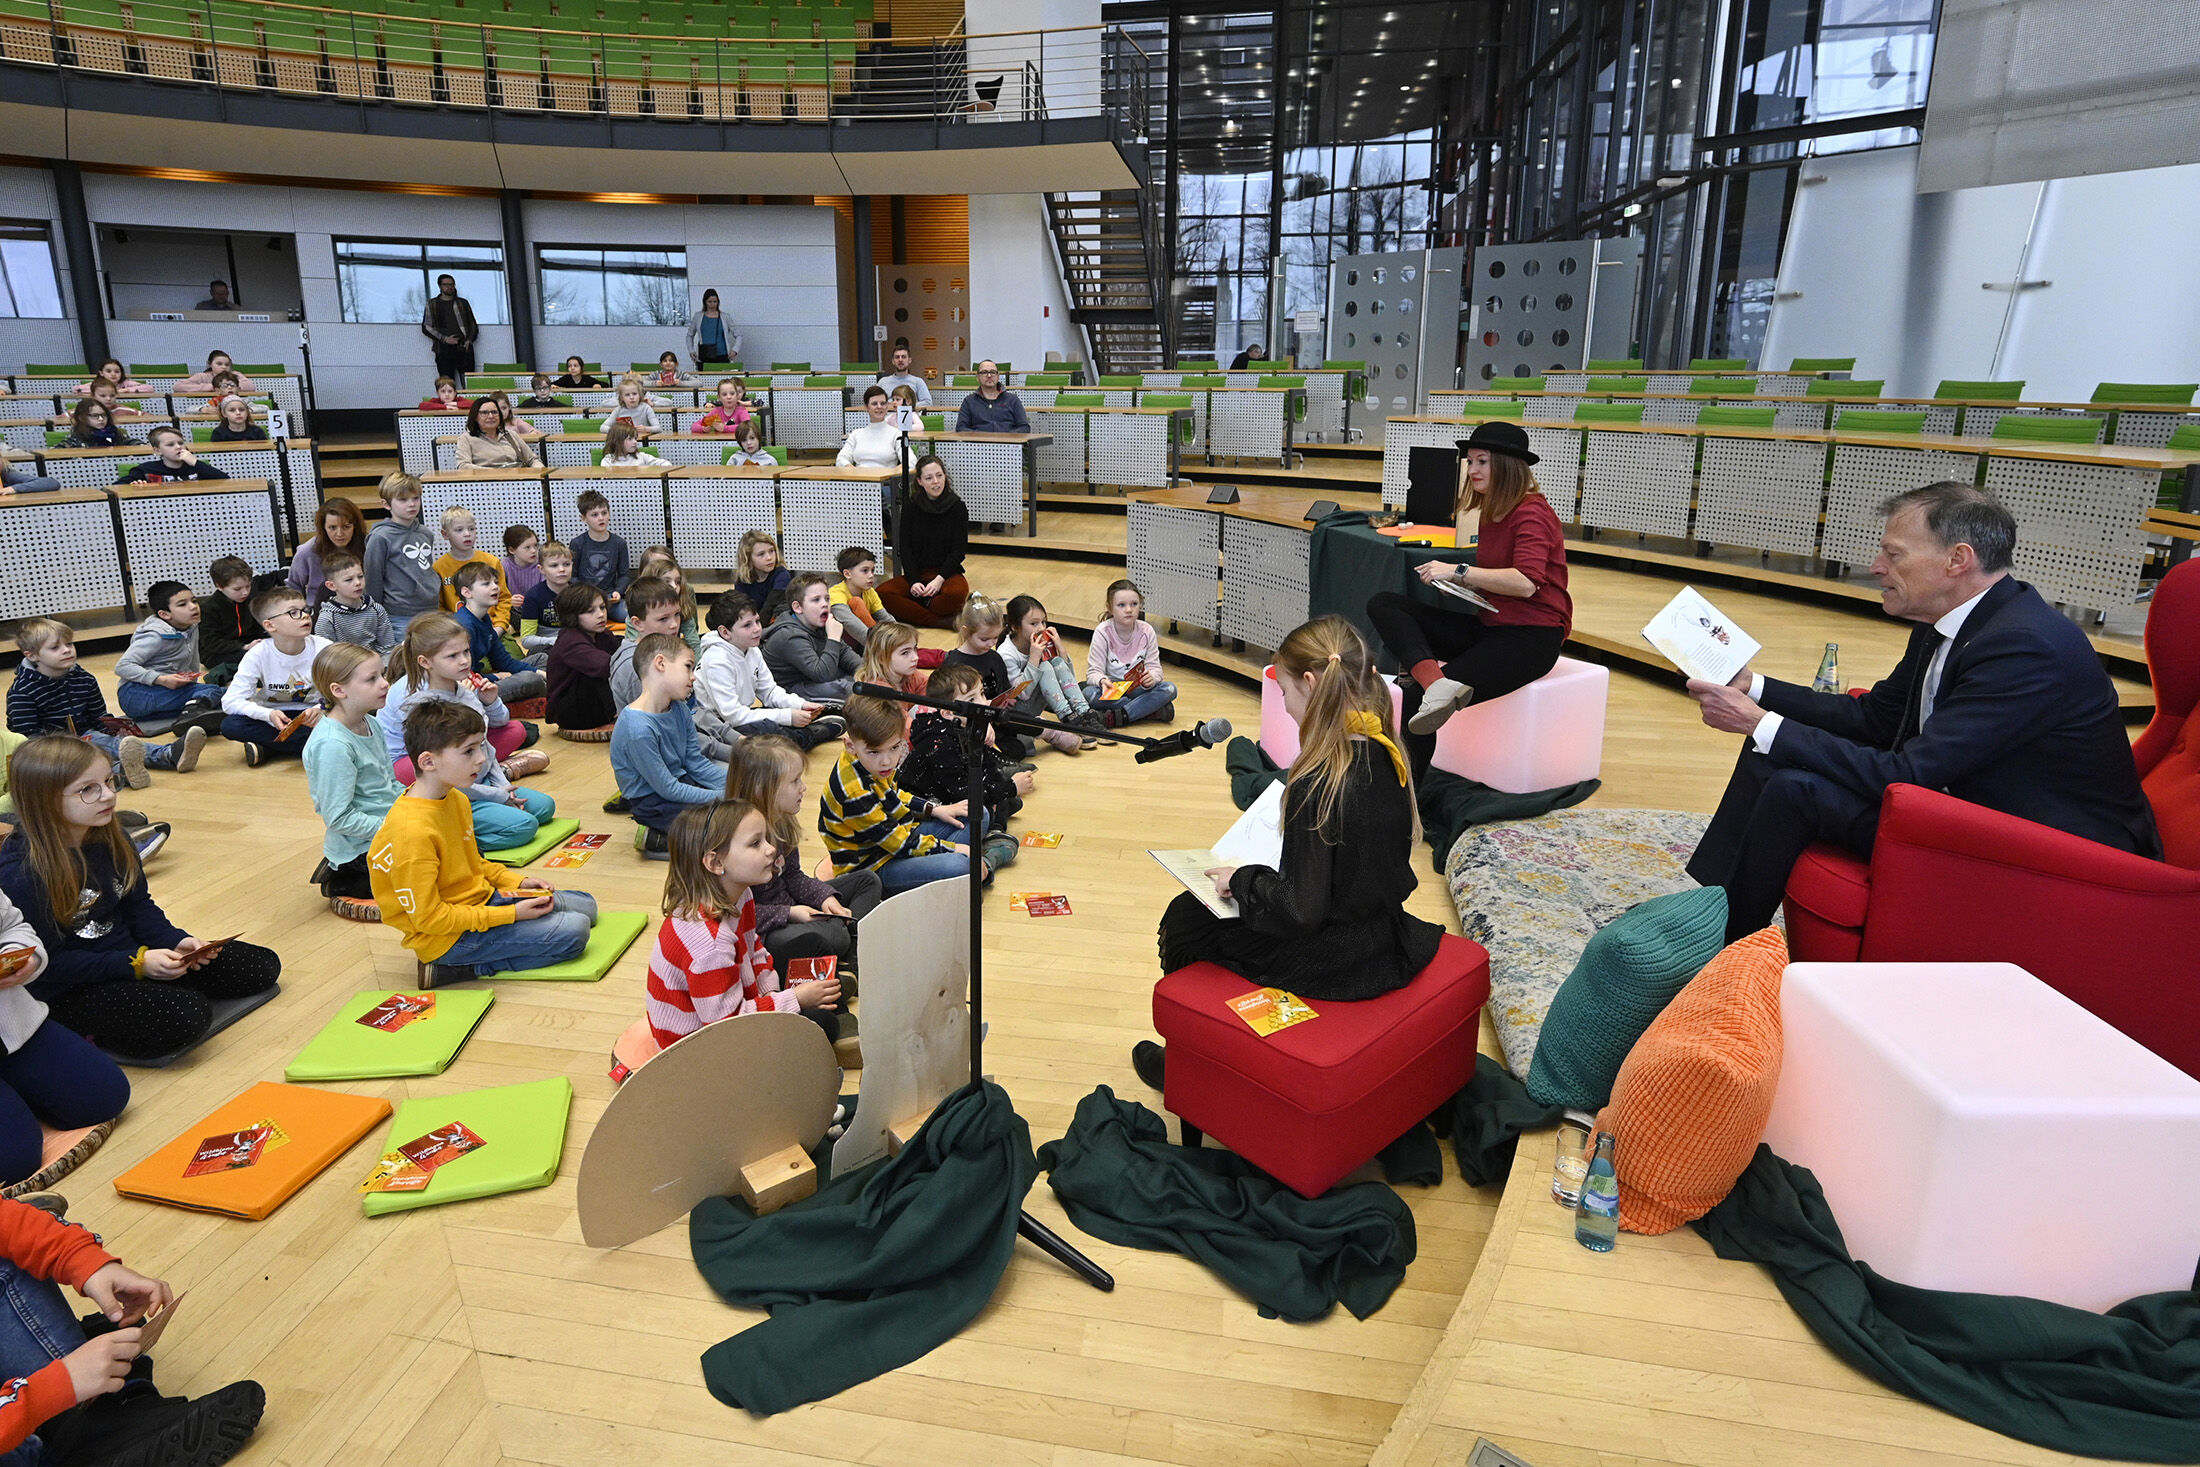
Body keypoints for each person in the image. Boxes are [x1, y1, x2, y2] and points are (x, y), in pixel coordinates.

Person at [1684, 481, 2163, 941]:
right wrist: (1756, 690)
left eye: (1893, 554)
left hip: (2052, 851)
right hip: (1970, 804)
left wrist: (1759, 721)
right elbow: (1874, 720)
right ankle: (1705, 918)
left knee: (1796, 785)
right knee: (1770, 752)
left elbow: (1912, 774)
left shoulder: (2025, 646)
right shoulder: (1954, 619)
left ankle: (1725, 948)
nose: (1875, 566)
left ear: (1957, 560)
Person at [1133, 616, 1444, 1089]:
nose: (1285, 706)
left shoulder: (1319, 780)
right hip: (1384, 936)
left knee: (1187, 918)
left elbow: (1302, 910)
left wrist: (1241, 880)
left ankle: (1190, 1063)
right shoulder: (1389, 750)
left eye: (1284, 694)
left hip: (1336, 959)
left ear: (1311, 683)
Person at [0, 735, 282, 1062]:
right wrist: (136, 964)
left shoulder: (111, 835)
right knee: (186, 1016)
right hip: (71, 987)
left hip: (133, 958)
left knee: (260, 965)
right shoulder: (21, 873)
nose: (109, 795)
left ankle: (154, 989)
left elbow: (139, 907)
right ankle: (82, 1030)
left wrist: (177, 942)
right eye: (88, 789)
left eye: (108, 781)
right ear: (44, 800)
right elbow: (51, 965)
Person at [1365, 418, 1572, 771]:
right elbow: (1501, 579)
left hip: (1531, 639)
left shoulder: (1533, 512)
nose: (1472, 470)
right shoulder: (1494, 510)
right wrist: (1464, 584)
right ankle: (1437, 686)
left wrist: (1458, 572)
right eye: (1470, 462)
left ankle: (1407, 804)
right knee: (1384, 604)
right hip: (1491, 626)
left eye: (1482, 462)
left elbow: (1526, 582)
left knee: (1414, 701)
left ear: (1506, 466)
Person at [369, 699, 595, 986]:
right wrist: (511, 915)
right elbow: (430, 920)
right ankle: (452, 968)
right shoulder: (411, 833)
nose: (482, 759)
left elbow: (474, 864)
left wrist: (516, 882)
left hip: (479, 902)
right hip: (448, 938)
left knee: (587, 906)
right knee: (575, 931)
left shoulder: (456, 797)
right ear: (428, 761)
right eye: (468, 752)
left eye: (479, 747)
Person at [645, 798, 841, 1052]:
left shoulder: (742, 894)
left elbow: (755, 949)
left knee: (813, 951)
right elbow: (728, 1028)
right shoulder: (709, 947)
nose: (771, 849)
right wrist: (795, 999)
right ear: (716, 863)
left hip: (729, 1012)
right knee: (821, 1025)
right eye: (755, 843)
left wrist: (772, 994)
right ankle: (831, 1008)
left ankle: (830, 1000)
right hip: (696, 1050)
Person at [380, 616, 550, 851]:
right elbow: (443, 775)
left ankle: (498, 788)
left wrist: (502, 787)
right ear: (425, 662)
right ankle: (448, 841)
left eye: (466, 652)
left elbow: (485, 747)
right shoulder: (422, 705)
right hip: (448, 789)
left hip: (475, 775)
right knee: (524, 827)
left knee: (544, 807)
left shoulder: (464, 691)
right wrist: (494, 795)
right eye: (452, 656)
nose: (464, 661)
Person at [725, 734, 881, 980]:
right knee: (829, 936)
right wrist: (790, 913)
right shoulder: (738, 842)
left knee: (867, 881)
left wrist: (824, 897)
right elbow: (737, 915)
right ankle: (849, 950)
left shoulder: (782, 820)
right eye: (795, 781)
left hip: (791, 908)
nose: (803, 787)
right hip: (765, 930)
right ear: (763, 787)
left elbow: (794, 876)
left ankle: (850, 957)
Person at [0, 889, 128, 1182]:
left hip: (13, 1024)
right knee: (13, 1161)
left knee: (104, 1095)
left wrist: (26, 959)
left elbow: (12, 925)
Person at [821, 694, 1002, 894]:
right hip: (874, 869)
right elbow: (898, 844)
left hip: (898, 839)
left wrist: (935, 810)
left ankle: (970, 868)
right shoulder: (854, 792)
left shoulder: (869, 763)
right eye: (875, 752)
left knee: (978, 814)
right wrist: (955, 849)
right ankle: (981, 862)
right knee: (961, 865)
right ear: (850, 745)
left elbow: (894, 794)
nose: (887, 761)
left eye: (894, 748)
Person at [7, 620, 201, 788]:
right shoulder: (23, 691)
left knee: (107, 742)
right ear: (31, 655)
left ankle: (134, 767)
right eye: (55, 647)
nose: (67, 650)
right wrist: (68, 745)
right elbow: (28, 739)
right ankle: (144, 763)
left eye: (69, 643)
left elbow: (97, 715)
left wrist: (115, 730)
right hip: (46, 751)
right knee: (92, 749)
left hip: (84, 737)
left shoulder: (84, 678)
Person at [304, 642, 403, 909]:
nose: (384, 684)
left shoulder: (370, 722)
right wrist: (396, 829)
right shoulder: (333, 745)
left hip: (388, 831)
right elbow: (338, 817)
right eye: (372, 679)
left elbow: (388, 783)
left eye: (382, 675)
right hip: (362, 850)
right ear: (339, 690)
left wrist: (416, 806)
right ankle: (343, 877)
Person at [612, 634, 727, 858]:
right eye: (688, 667)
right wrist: (721, 797)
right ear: (661, 663)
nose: (693, 678)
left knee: (739, 811)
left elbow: (695, 762)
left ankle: (678, 835)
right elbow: (667, 789)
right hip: (653, 802)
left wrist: (735, 784)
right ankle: (657, 841)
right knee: (725, 830)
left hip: (680, 785)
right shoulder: (638, 729)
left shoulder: (680, 708)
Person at [697, 593, 844, 753]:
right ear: (725, 632)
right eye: (747, 625)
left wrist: (800, 704)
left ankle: (802, 732)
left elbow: (770, 691)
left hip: (736, 716)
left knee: (772, 721)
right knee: (768, 733)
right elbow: (732, 716)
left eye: (758, 621)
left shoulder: (751, 649)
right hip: (716, 726)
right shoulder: (716, 660)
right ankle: (810, 735)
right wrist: (787, 716)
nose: (757, 629)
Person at [902, 664, 1032, 840]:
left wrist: (1002, 788)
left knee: (999, 795)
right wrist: (1010, 788)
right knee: (985, 809)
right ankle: (987, 839)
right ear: (948, 713)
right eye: (971, 700)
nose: (984, 703)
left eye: (982, 694)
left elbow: (988, 770)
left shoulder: (968, 726)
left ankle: (994, 828)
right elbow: (963, 795)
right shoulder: (939, 745)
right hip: (926, 817)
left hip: (957, 795)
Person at [943, 592, 1066, 758]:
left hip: (997, 720)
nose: (991, 644)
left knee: (1017, 749)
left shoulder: (994, 657)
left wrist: (1007, 698)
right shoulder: (954, 662)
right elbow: (952, 707)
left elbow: (1005, 689)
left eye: (995, 638)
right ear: (965, 632)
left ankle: (1050, 732)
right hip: (970, 724)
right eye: (985, 639)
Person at [220, 586, 326, 767]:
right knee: (230, 725)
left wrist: (321, 708)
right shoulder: (258, 653)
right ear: (269, 625)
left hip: (315, 715)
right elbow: (230, 702)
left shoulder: (324, 648)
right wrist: (268, 714)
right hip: (277, 717)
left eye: (305, 610)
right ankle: (310, 746)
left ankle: (269, 748)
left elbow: (347, 690)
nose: (305, 616)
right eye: (293, 613)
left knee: (359, 717)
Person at [112, 581, 223, 728]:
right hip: (136, 694)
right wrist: (161, 679)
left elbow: (193, 661)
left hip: (164, 694)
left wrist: (192, 686)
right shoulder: (154, 636)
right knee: (213, 692)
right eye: (182, 604)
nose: (193, 607)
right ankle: (193, 714)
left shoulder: (191, 626)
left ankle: (191, 712)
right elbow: (122, 666)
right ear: (164, 614)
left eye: (194, 601)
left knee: (224, 694)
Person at [877, 455, 970, 628]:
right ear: (919, 481)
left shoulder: (957, 507)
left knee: (956, 595)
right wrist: (913, 581)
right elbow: (905, 548)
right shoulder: (911, 507)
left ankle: (920, 606)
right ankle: (940, 621)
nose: (936, 482)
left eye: (939, 475)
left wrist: (939, 579)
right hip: (918, 573)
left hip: (946, 574)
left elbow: (959, 550)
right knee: (881, 594)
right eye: (929, 478)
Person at [1004, 593, 1104, 735]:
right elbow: (1022, 694)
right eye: (1034, 623)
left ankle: (1084, 713)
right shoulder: (1007, 653)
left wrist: (1059, 648)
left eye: (1043, 622)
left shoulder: (1040, 641)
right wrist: (1034, 658)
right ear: (1015, 627)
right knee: (1044, 665)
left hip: (1040, 700)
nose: (1041, 628)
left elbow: (1069, 680)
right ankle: (1067, 717)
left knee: (1056, 662)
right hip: (1020, 713)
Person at [1085, 579, 1178, 727]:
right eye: (1121, 605)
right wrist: (1102, 681)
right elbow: (1093, 672)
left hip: (1139, 688)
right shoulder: (1102, 632)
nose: (1129, 609)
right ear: (1110, 608)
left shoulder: (1147, 630)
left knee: (1170, 689)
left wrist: (1152, 678)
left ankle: (1120, 716)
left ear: (1140, 605)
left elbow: (1155, 668)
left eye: (1134, 604)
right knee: (1089, 695)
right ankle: (1149, 710)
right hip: (1114, 690)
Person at [452, 561, 546, 704]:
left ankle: (527, 697)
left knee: (541, 659)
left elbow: (503, 661)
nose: (495, 587)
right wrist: (496, 677)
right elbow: (463, 677)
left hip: (483, 678)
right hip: (471, 689)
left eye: (495, 582)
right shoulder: (464, 626)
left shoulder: (485, 618)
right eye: (486, 584)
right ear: (467, 592)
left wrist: (542, 673)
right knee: (530, 678)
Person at [364, 472, 443, 643]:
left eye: (415, 498)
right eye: (403, 500)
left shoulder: (425, 533)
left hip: (431, 608)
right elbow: (373, 579)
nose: (412, 504)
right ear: (386, 504)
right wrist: (376, 614)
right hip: (400, 615)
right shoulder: (380, 537)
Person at [763, 574, 860, 703]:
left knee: (863, 681)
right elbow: (823, 675)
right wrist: (833, 638)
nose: (824, 604)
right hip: (789, 690)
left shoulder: (818, 624)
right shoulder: (789, 635)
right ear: (798, 607)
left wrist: (867, 674)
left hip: (814, 678)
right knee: (844, 689)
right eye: (816, 600)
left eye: (827, 599)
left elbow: (848, 656)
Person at [545, 583, 618, 736]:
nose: (600, 614)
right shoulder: (570, 640)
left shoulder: (602, 634)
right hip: (570, 711)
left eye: (602, 607)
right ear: (572, 615)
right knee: (599, 673)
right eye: (590, 611)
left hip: (588, 702)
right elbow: (607, 666)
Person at [608, 577, 687, 713]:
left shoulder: (669, 650)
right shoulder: (633, 666)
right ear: (638, 623)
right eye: (663, 619)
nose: (674, 624)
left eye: (677, 614)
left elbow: (692, 708)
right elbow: (656, 721)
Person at [433, 507, 513, 631]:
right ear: (445, 534)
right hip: (457, 633)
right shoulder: (439, 567)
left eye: (471, 529)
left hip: (492, 628)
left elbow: (503, 598)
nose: (467, 534)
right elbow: (440, 607)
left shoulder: (492, 562)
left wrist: (500, 626)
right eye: (459, 530)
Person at [288, 496, 367, 610]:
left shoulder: (368, 546)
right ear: (323, 528)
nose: (339, 534)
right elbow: (293, 587)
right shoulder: (307, 551)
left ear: (355, 527)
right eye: (332, 528)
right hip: (320, 611)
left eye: (346, 527)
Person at [197, 554, 264, 683]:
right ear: (219, 586)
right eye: (237, 589)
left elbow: (257, 628)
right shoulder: (207, 608)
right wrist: (243, 647)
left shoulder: (250, 601)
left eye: (248, 586)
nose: (245, 592)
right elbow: (211, 643)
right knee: (253, 657)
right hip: (217, 653)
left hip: (246, 645)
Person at [315, 552, 397, 655]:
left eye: (360, 576)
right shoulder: (327, 619)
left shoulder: (376, 609)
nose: (358, 582)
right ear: (331, 586)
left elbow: (388, 648)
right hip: (344, 668)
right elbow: (326, 657)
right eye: (349, 580)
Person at [570, 489, 631, 618]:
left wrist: (618, 592)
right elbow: (573, 576)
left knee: (625, 615)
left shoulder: (619, 543)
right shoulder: (577, 543)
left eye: (604, 513)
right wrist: (584, 594)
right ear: (583, 518)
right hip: (586, 598)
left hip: (610, 596)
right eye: (595, 515)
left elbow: (624, 574)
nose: (601, 518)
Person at [827, 546, 898, 650]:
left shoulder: (869, 591)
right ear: (847, 574)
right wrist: (880, 645)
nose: (871, 575)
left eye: (872, 570)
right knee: (856, 602)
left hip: (865, 642)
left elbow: (885, 618)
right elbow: (850, 622)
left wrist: (900, 638)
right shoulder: (835, 593)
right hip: (841, 646)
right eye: (865, 571)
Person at [837, 385, 916, 473]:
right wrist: (854, 472)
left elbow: (911, 461)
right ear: (867, 407)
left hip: (886, 483)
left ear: (887, 406)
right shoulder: (856, 434)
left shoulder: (896, 434)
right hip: (858, 482)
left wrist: (891, 473)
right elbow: (841, 459)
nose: (879, 407)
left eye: (883, 403)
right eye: (874, 404)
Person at [116, 426, 228, 485]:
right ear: (158, 450)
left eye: (180, 443)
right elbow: (118, 486)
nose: (178, 447)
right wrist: (134, 486)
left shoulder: (196, 466)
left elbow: (225, 480)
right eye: (170, 445)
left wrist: (195, 462)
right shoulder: (145, 469)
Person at [420, 273, 479, 382]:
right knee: (447, 383)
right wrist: (445, 339)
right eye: (446, 284)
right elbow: (426, 326)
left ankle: (469, 400)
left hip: (463, 347)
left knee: (469, 382)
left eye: (452, 284)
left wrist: (469, 340)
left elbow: (473, 325)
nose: (449, 287)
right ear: (440, 286)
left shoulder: (462, 303)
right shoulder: (432, 304)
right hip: (443, 348)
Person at [452, 398, 538, 471]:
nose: (490, 416)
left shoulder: (511, 435)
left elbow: (532, 459)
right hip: (486, 484)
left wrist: (538, 472)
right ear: (475, 417)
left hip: (519, 482)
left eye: (494, 412)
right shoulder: (466, 439)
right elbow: (463, 466)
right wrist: (496, 473)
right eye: (484, 413)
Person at [518, 540, 573, 653]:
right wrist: (555, 640)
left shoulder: (580, 593)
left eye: (566, 564)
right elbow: (526, 640)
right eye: (554, 565)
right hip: (546, 647)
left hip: (575, 643)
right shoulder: (533, 596)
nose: (562, 569)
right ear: (541, 569)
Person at [953, 359, 1028, 433]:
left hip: (1008, 443)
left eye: (993, 372)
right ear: (977, 377)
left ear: (998, 376)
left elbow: (1024, 427)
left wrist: (1006, 438)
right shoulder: (969, 401)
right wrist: (982, 438)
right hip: (979, 444)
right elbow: (961, 428)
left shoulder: (1013, 400)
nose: (989, 375)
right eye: (984, 372)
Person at [732, 531, 792, 621]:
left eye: (771, 551)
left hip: (775, 623)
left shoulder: (782, 575)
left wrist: (755, 629)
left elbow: (769, 609)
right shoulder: (743, 580)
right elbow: (741, 609)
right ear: (748, 559)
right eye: (761, 554)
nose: (769, 557)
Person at [685, 287, 739, 369]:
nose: (712, 304)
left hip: (722, 355)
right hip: (705, 355)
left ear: (718, 302)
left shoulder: (725, 317)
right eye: (709, 302)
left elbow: (738, 335)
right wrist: (691, 350)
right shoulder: (698, 316)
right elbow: (689, 335)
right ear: (705, 302)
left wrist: (735, 350)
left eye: (715, 302)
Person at [56, 400, 133, 450]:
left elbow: (134, 442)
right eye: (95, 416)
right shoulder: (77, 437)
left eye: (103, 415)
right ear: (81, 418)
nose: (101, 419)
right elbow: (57, 450)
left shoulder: (115, 433)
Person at [174, 350, 254, 395]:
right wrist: (211, 387)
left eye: (227, 364)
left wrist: (226, 386)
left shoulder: (236, 375)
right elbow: (178, 387)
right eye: (219, 364)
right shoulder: (201, 376)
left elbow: (251, 387)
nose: (224, 367)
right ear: (210, 364)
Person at [876, 341, 931, 407]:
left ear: (909, 360)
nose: (900, 360)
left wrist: (906, 406)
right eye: (897, 357)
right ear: (893, 361)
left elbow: (928, 403)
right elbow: (874, 401)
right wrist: (888, 405)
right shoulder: (883, 382)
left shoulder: (918, 382)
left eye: (903, 357)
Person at [597, 419, 668, 468]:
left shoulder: (642, 457)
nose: (635, 442)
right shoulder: (607, 461)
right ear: (617, 441)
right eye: (630, 439)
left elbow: (666, 464)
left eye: (635, 438)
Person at [501, 524, 544, 604]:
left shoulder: (542, 562)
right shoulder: (505, 565)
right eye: (527, 547)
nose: (533, 550)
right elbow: (498, 595)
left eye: (535, 545)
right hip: (514, 611)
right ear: (512, 550)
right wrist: (508, 601)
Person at [73, 359, 145, 397]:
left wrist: (127, 390)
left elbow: (148, 388)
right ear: (101, 373)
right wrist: (110, 391)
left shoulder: (125, 383)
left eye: (117, 372)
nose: (113, 374)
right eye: (109, 371)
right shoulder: (96, 384)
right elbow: (76, 389)